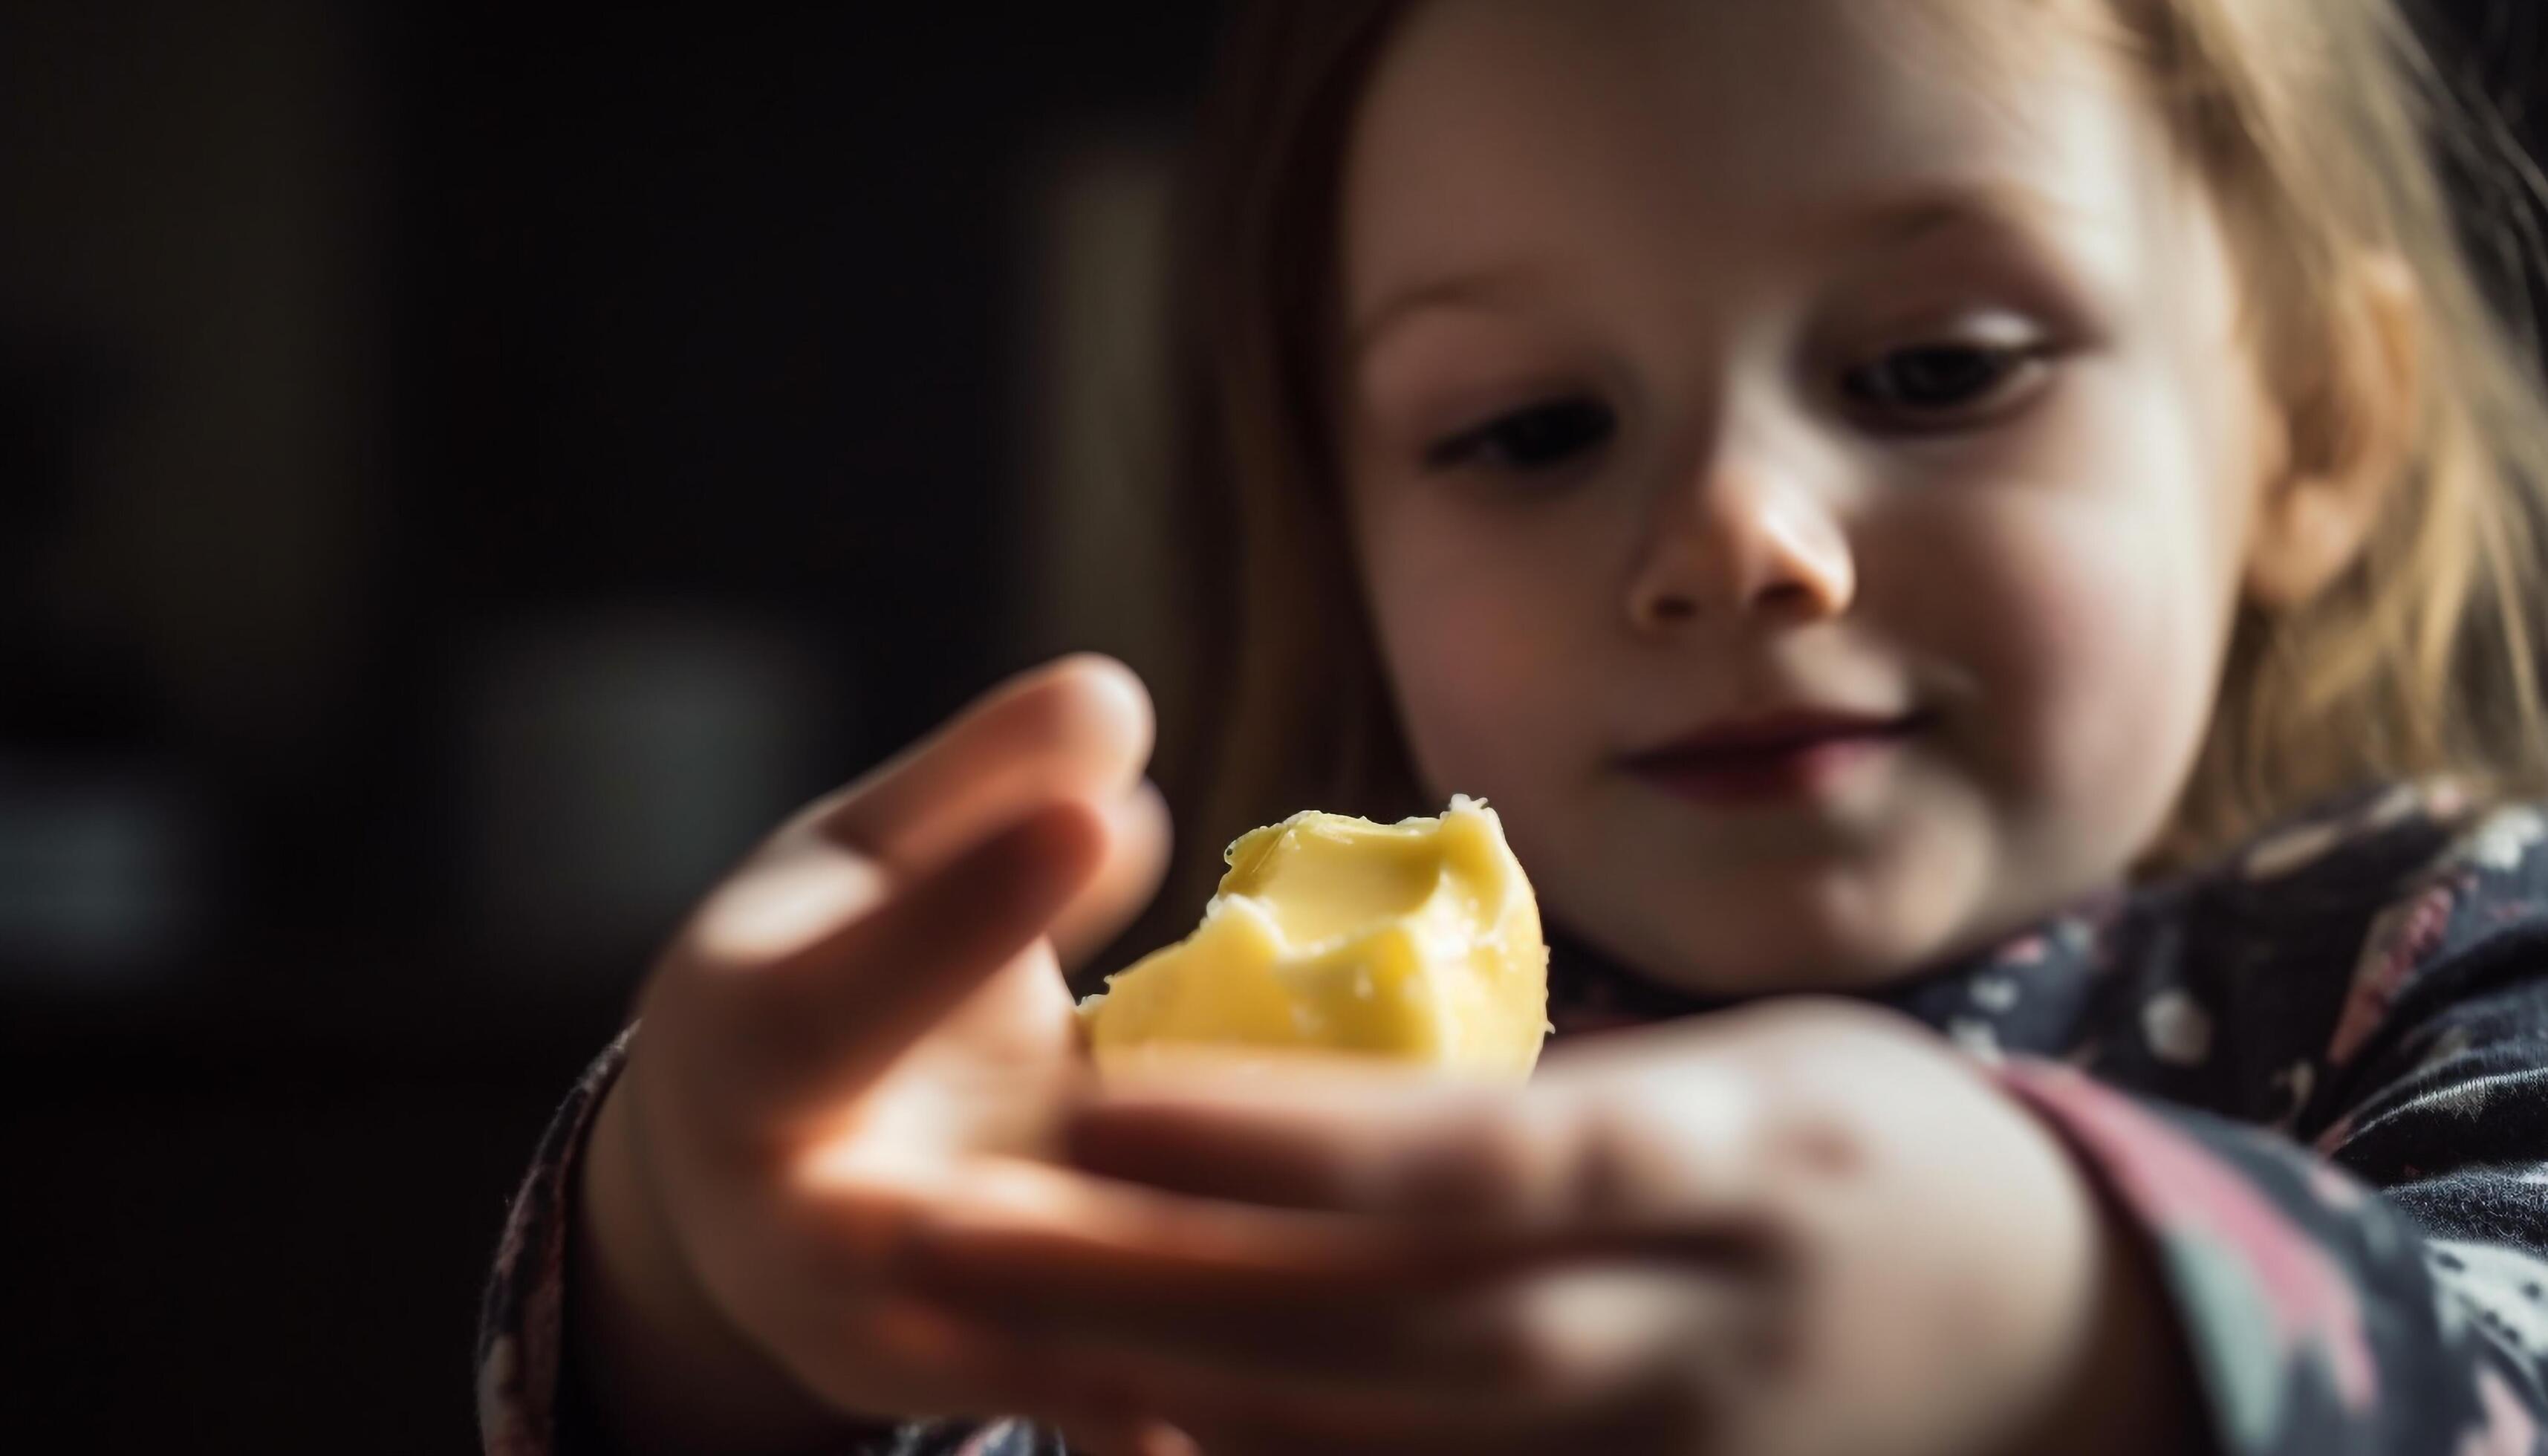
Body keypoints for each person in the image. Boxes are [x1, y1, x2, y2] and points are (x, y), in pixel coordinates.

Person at [480, 1, 2548, 1452]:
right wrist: (715, 1285)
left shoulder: (2447, 964)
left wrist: (2075, 1332)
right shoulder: (1250, 1110)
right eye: (1531, 428)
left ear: (2317, 425)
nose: (1737, 541)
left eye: (1938, 369)